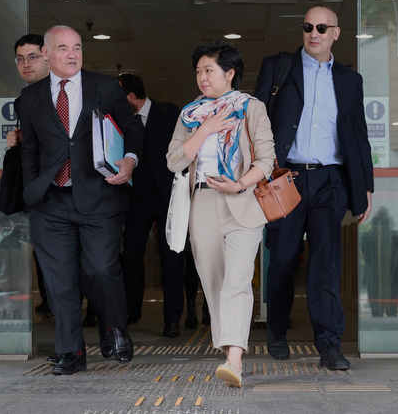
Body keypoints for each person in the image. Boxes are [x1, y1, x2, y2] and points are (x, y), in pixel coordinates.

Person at [253, 5, 374, 371]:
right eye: (308, 26)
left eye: (322, 27)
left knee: (326, 263)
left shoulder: (350, 80)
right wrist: (258, 172)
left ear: (336, 33)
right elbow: (255, 122)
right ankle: (276, 329)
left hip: (330, 180)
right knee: (284, 259)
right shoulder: (279, 67)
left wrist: (364, 185)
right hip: (286, 178)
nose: (314, 32)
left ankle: (329, 344)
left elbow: (358, 135)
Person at [18, 25, 143, 375]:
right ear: (46, 54)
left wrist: (130, 159)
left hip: (100, 195)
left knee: (101, 269)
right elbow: (29, 151)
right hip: (51, 201)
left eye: (77, 47)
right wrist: (32, 191)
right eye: (63, 48)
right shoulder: (30, 98)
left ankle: (113, 325)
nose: (72, 54)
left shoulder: (104, 86)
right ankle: (71, 350)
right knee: (59, 280)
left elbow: (132, 128)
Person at [166, 42, 275, 388]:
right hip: (202, 204)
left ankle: (234, 360)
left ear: (230, 74)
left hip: (242, 201)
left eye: (208, 70)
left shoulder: (251, 108)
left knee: (238, 281)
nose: (202, 77)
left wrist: (240, 183)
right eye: (198, 71)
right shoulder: (190, 115)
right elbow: (174, 160)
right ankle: (230, 347)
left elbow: (266, 161)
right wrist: (206, 129)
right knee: (213, 282)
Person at [117, 72, 183, 337]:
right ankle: (131, 311)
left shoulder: (168, 113)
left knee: (171, 258)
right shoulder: (120, 120)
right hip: (135, 198)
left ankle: (172, 320)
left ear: (132, 97)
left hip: (167, 197)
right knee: (131, 256)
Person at [2, 34, 53, 317]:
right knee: (45, 258)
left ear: (47, 56)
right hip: (40, 192)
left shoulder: (67, 92)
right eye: (20, 59)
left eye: (32, 57)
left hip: (71, 188)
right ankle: (51, 306)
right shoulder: (24, 100)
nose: (26, 64)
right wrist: (19, 141)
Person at [359, 207, 398, 318]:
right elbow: (365, 253)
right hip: (374, 281)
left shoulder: (395, 236)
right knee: (376, 314)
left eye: (384, 218)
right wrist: (373, 231)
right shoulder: (367, 236)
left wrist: (386, 231)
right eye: (378, 218)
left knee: (392, 314)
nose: (381, 221)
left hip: (392, 280)